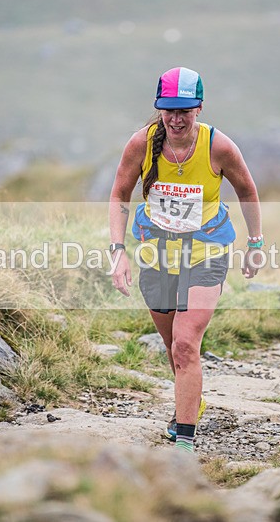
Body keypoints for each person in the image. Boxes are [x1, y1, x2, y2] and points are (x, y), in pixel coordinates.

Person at [109, 67, 263, 452]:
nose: (176, 119)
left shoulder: (218, 146)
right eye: (169, 111)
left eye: (185, 111)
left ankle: (184, 442)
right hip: (157, 254)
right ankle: (191, 400)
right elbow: (119, 195)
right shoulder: (141, 144)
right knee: (172, 345)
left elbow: (247, 191)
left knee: (185, 343)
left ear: (199, 108)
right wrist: (118, 251)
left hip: (206, 251)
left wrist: (255, 243)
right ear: (159, 108)